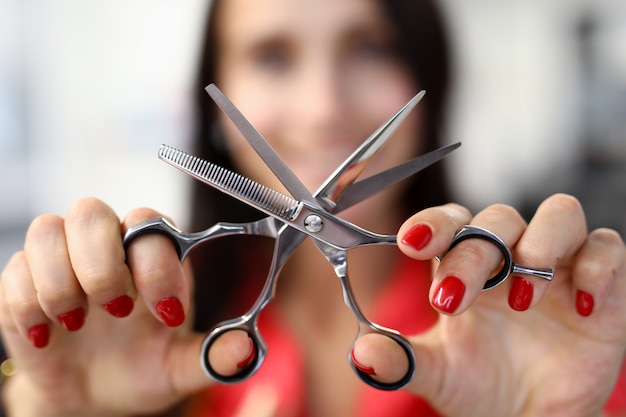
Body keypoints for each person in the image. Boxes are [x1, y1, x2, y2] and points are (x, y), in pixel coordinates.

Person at [1, 0, 625, 416]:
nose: (324, 107)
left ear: (430, 80)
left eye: (370, 47)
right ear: (215, 111)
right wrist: (55, 404)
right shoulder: (150, 329)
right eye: (272, 56)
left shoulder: (539, 328)